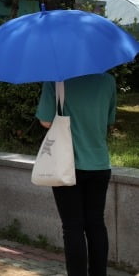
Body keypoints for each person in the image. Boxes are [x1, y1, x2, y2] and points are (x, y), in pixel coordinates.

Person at [36, 73, 116, 276]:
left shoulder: (56, 80)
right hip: (99, 163)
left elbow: (45, 121)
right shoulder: (108, 81)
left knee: (72, 227)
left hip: (67, 164)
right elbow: (108, 119)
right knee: (96, 223)